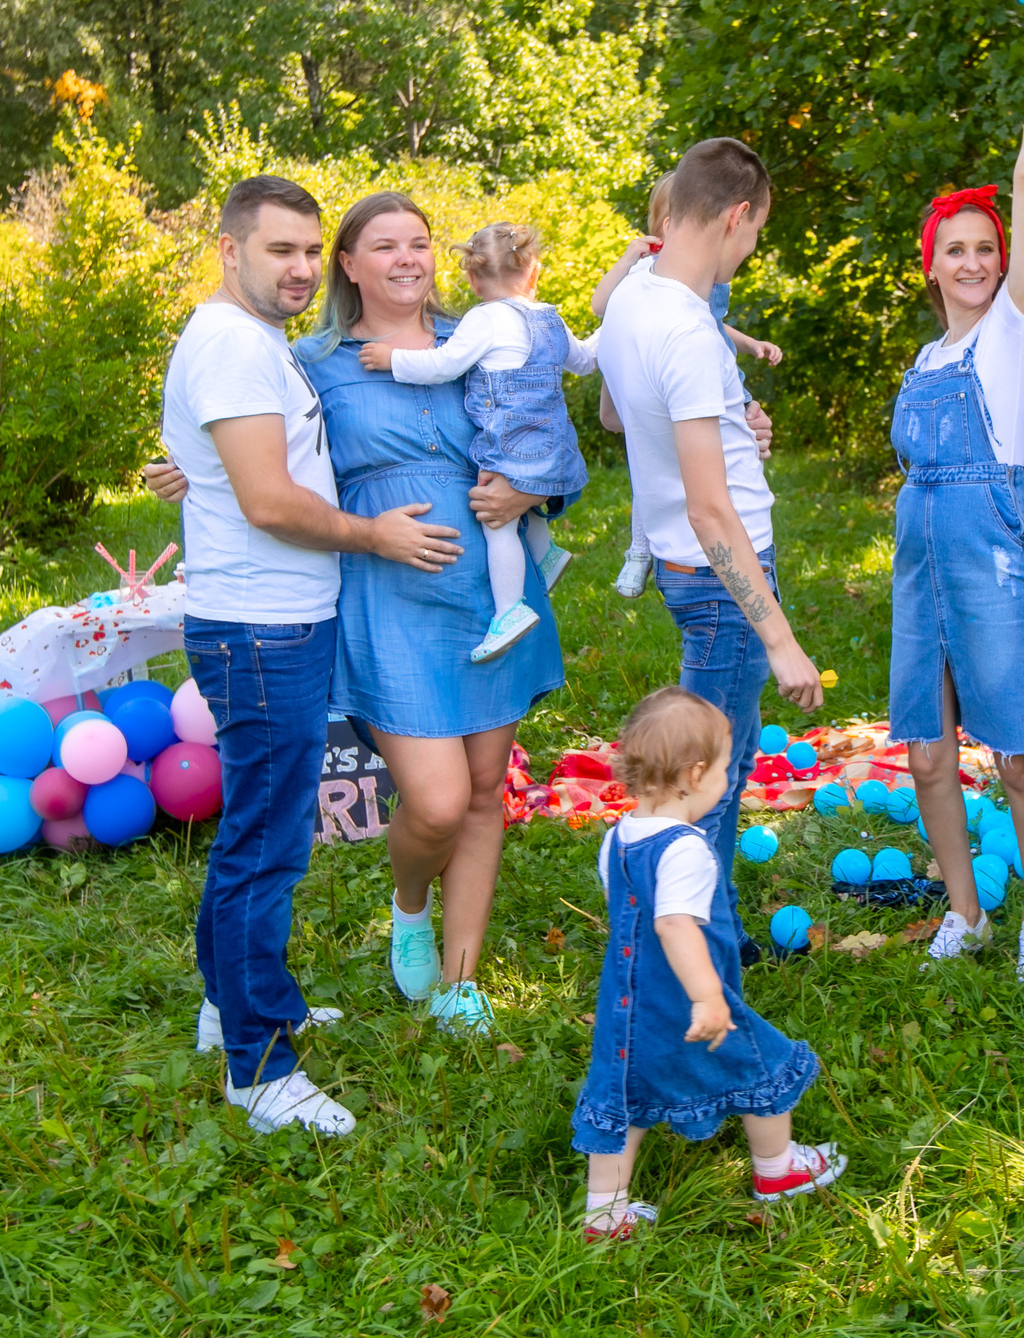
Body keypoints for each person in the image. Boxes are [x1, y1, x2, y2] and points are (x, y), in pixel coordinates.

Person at [148, 190, 565, 1039]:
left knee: (488, 793)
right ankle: (409, 902)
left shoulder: (485, 335)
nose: (408, 258)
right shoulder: (311, 359)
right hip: (388, 594)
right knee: (440, 802)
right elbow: (265, 453)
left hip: (494, 591)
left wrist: (539, 488)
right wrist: (194, 473)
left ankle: (458, 980)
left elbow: (552, 433)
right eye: (385, 245)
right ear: (349, 263)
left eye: (420, 241)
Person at [158, 174, 463, 1136]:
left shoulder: (257, 345)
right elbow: (268, 501)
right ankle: (261, 1069)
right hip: (259, 627)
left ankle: (234, 1004)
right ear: (229, 249)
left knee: (260, 824)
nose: (296, 269)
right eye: (277, 250)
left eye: (305, 251)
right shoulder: (230, 348)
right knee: (268, 843)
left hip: (273, 617)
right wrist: (373, 535)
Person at [894, 0, 1024, 983]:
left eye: (985, 249)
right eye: (954, 251)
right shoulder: (924, 362)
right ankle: (963, 909)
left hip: (991, 552)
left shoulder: (1014, 332)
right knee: (926, 752)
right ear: (930, 267)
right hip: (919, 556)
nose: (972, 262)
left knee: (1013, 749)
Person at [597, 138, 825, 964]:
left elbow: (622, 419)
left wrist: (734, 425)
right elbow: (709, 511)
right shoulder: (690, 332)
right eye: (755, 232)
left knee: (715, 755)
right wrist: (780, 635)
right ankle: (689, 952)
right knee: (707, 779)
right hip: (720, 576)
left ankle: (707, 930)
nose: (751, 247)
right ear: (736, 216)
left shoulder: (630, 300)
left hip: (682, 566)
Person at [573, 687, 842, 1241]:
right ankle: (778, 1170)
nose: (727, 781)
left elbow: (628, 916)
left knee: (623, 1095)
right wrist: (708, 997)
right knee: (760, 1063)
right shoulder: (688, 849)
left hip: (627, 1007)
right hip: (685, 1002)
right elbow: (674, 925)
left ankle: (605, 1213)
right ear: (695, 775)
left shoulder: (617, 839)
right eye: (724, 769)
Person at [357, 221, 597, 663]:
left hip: (512, 443)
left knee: (496, 519)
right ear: (534, 272)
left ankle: (509, 611)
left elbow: (443, 364)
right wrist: (612, 329)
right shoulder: (550, 318)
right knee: (522, 496)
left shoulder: (483, 319)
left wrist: (394, 360)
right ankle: (545, 554)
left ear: (472, 277)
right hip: (556, 444)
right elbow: (584, 361)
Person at [592, 180, 783, 599]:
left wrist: (749, 349)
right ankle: (638, 551)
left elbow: (714, 326)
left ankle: (643, 552)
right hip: (715, 560)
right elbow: (602, 310)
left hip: (706, 543)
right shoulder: (646, 286)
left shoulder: (695, 291)